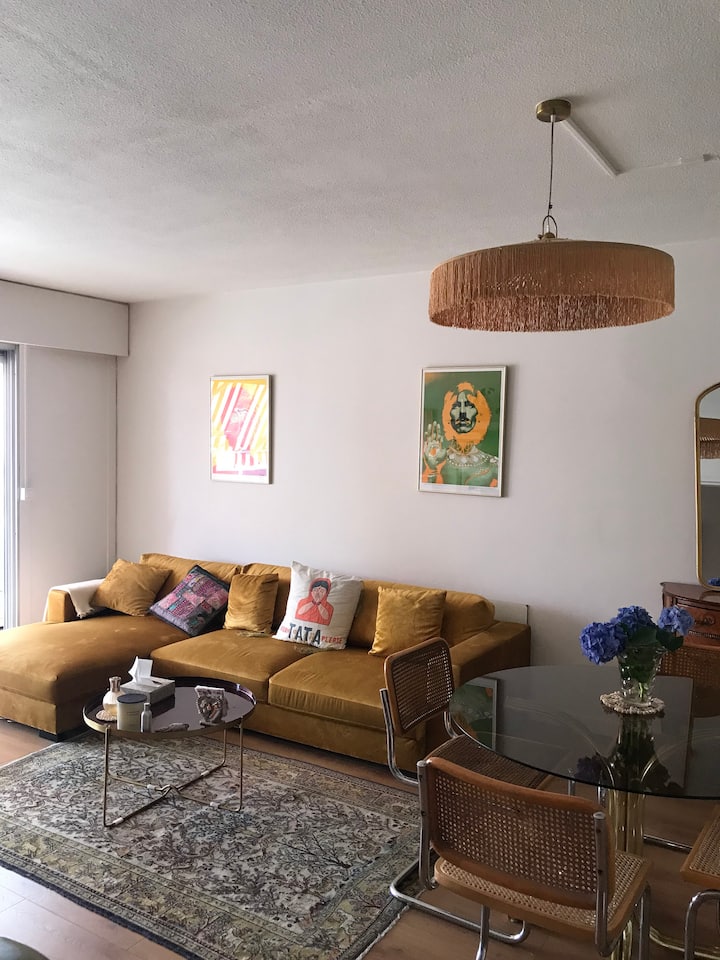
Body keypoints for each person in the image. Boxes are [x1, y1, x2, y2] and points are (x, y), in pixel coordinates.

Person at [422, 381, 499, 487]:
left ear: (480, 413)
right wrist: (431, 469)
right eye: (456, 406)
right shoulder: (435, 459)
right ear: (448, 414)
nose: (462, 413)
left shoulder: (492, 465)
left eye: (469, 406)